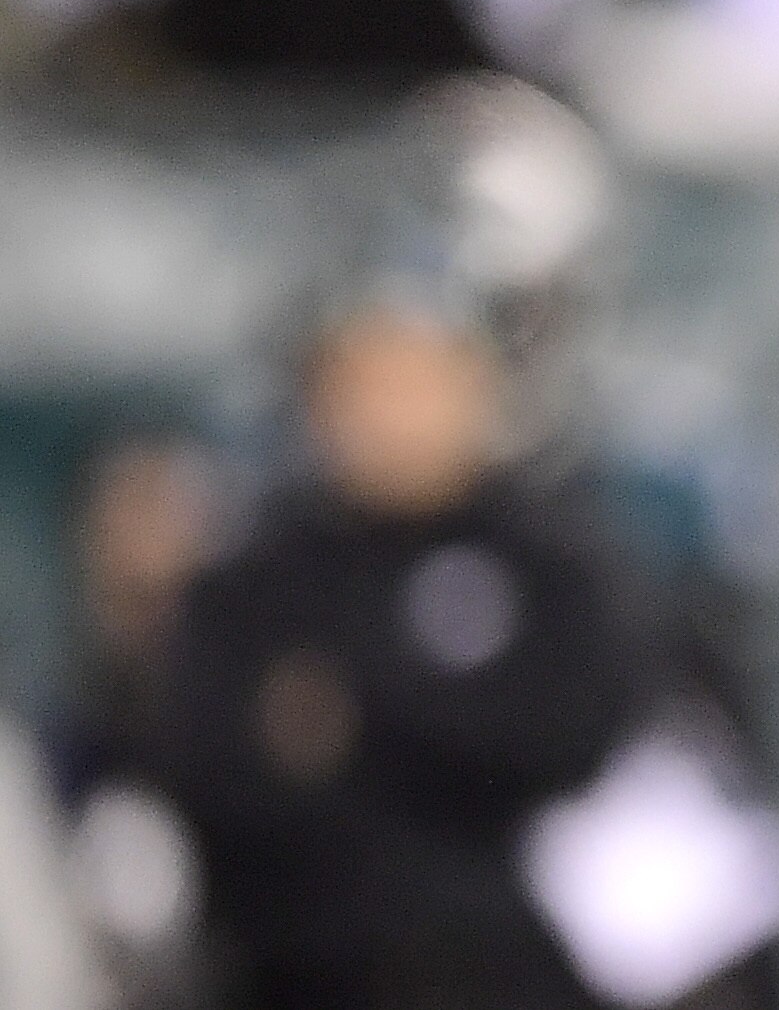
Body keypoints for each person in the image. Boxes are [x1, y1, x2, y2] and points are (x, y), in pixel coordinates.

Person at [157, 289, 648, 1010]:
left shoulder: (550, 561)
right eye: (364, 386)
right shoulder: (254, 582)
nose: (391, 415)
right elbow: (218, 779)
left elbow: (574, 737)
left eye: (418, 382)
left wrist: (361, 713)